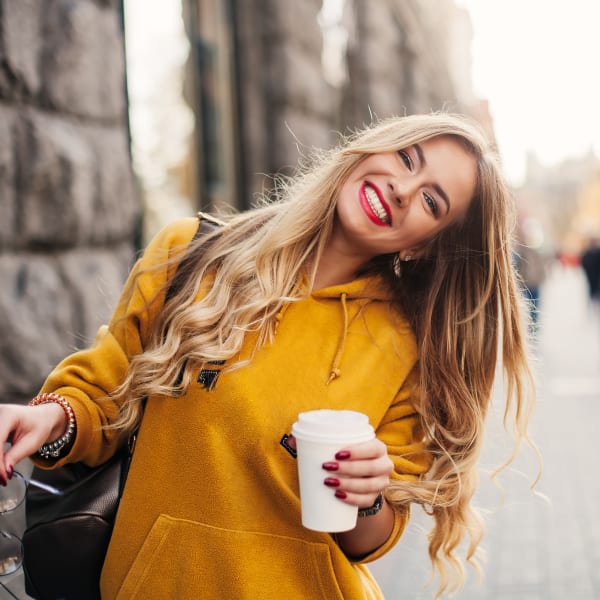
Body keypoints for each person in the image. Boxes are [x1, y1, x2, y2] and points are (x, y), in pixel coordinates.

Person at [0, 113, 537, 599]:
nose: (402, 187)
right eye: (406, 157)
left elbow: (366, 540)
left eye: (430, 200)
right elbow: (105, 393)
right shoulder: (192, 255)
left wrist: (368, 495)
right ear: (375, 147)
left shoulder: (406, 346)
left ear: (422, 244)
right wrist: (51, 417)